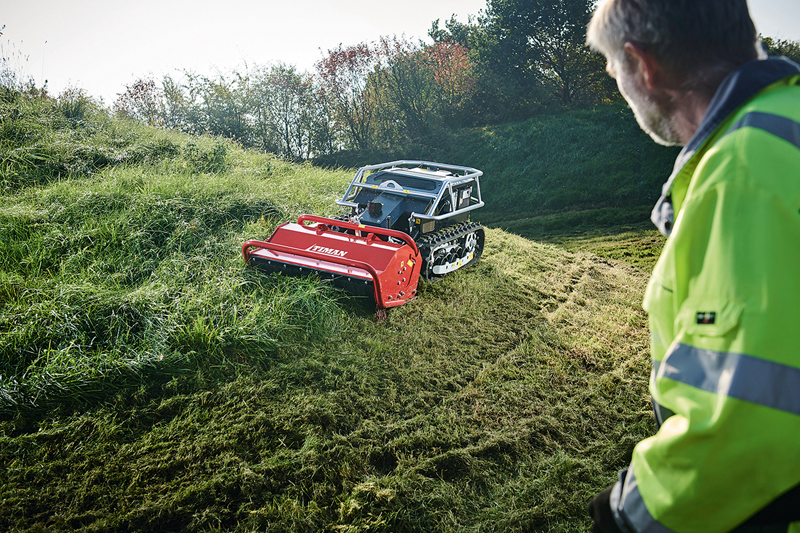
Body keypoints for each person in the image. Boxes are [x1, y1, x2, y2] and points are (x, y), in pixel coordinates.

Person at [584, 1, 800, 532]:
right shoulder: (784, 128)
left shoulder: (742, 171)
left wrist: (626, 515)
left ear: (645, 66)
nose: (618, 82)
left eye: (614, 68)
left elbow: (745, 420)